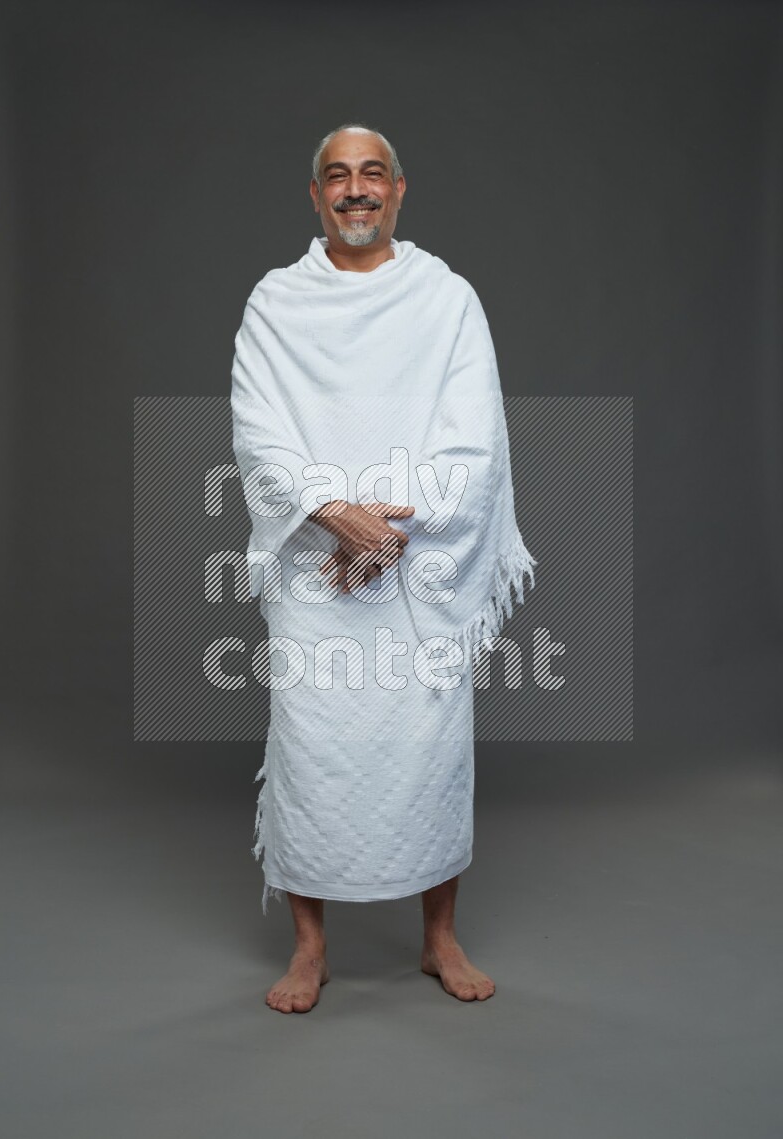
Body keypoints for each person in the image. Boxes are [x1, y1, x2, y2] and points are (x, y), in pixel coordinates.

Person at [230, 123, 536, 1013]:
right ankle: (309, 947)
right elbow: (259, 435)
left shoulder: (446, 299)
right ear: (315, 196)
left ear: (400, 190)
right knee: (311, 747)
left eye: (373, 174)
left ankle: (439, 935)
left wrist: (390, 535)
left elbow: (472, 440)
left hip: (419, 568)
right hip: (315, 569)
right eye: (338, 176)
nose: (356, 189)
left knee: (430, 746)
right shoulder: (276, 302)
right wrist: (334, 517)